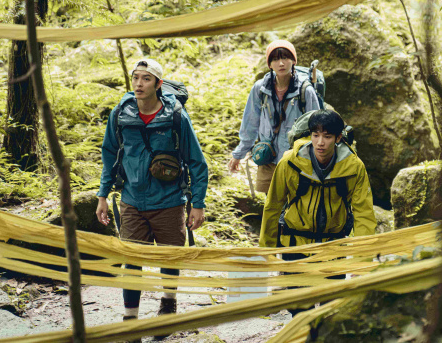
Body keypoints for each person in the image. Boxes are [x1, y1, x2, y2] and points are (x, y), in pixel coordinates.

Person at [95, 59, 208, 331]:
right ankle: (130, 323)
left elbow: (196, 161)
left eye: (146, 79)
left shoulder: (176, 116)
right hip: (132, 201)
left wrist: (198, 203)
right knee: (131, 263)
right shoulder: (121, 114)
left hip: (169, 202)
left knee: (169, 258)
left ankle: (168, 305)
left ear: (158, 84)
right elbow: (109, 154)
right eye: (135, 78)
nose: (138, 84)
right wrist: (102, 194)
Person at [259, 108, 376, 250]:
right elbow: (273, 206)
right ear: (310, 135)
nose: (320, 142)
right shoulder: (290, 162)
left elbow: (364, 213)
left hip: (334, 247)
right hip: (294, 245)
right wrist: (266, 252)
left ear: (338, 138)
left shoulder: (354, 167)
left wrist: (363, 259)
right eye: (315, 135)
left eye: (327, 137)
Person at [228, 40, 320, 192]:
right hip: (268, 157)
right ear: (269, 64)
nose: (281, 63)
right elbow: (250, 123)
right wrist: (239, 154)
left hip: (296, 159)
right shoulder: (260, 89)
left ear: (293, 61)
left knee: (294, 206)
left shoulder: (305, 91)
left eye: (285, 58)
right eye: (276, 59)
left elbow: (317, 126)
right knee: (271, 206)